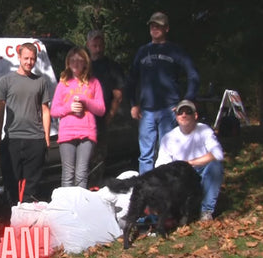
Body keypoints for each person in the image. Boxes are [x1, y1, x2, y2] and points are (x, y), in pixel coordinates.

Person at [125, 12, 200, 174]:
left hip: (169, 109)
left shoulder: (175, 50)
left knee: (169, 153)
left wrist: (187, 101)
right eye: (152, 25)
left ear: (166, 28)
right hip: (146, 112)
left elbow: (193, 75)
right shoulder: (142, 51)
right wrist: (133, 104)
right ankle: (146, 190)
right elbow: (131, 80)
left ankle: (168, 190)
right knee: (145, 155)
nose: (155, 28)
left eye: (158, 26)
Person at [0, 42, 52, 209]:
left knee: (32, 186)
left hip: (35, 139)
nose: (29, 62)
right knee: (11, 183)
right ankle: (12, 219)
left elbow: (45, 110)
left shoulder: (40, 81)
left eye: (33, 59)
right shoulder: (5, 81)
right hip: (12, 139)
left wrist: (46, 137)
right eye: (26, 58)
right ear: (19, 57)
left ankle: (28, 218)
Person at [155, 100, 224, 221]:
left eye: (188, 112)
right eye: (180, 112)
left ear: (195, 115)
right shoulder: (168, 138)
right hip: (180, 176)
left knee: (216, 166)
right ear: (176, 117)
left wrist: (189, 163)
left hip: (201, 172)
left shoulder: (205, 130)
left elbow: (217, 154)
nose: (184, 115)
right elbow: (161, 165)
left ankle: (206, 211)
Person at [50, 47, 105, 188]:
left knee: (81, 173)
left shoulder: (94, 82)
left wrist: (86, 101)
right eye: (73, 60)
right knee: (68, 173)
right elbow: (54, 111)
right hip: (67, 133)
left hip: (87, 132)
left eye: (80, 60)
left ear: (86, 63)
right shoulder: (63, 83)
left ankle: (80, 206)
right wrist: (69, 108)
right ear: (68, 62)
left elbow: (101, 110)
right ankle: (67, 208)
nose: (76, 63)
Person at [85, 30, 125, 187]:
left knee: (96, 163)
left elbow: (118, 95)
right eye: (94, 45)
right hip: (81, 122)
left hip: (100, 121)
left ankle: (94, 192)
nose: (97, 48)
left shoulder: (112, 67)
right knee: (81, 162)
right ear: (88, 45)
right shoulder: (82, 65)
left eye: (100, 45)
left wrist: (110, 116)